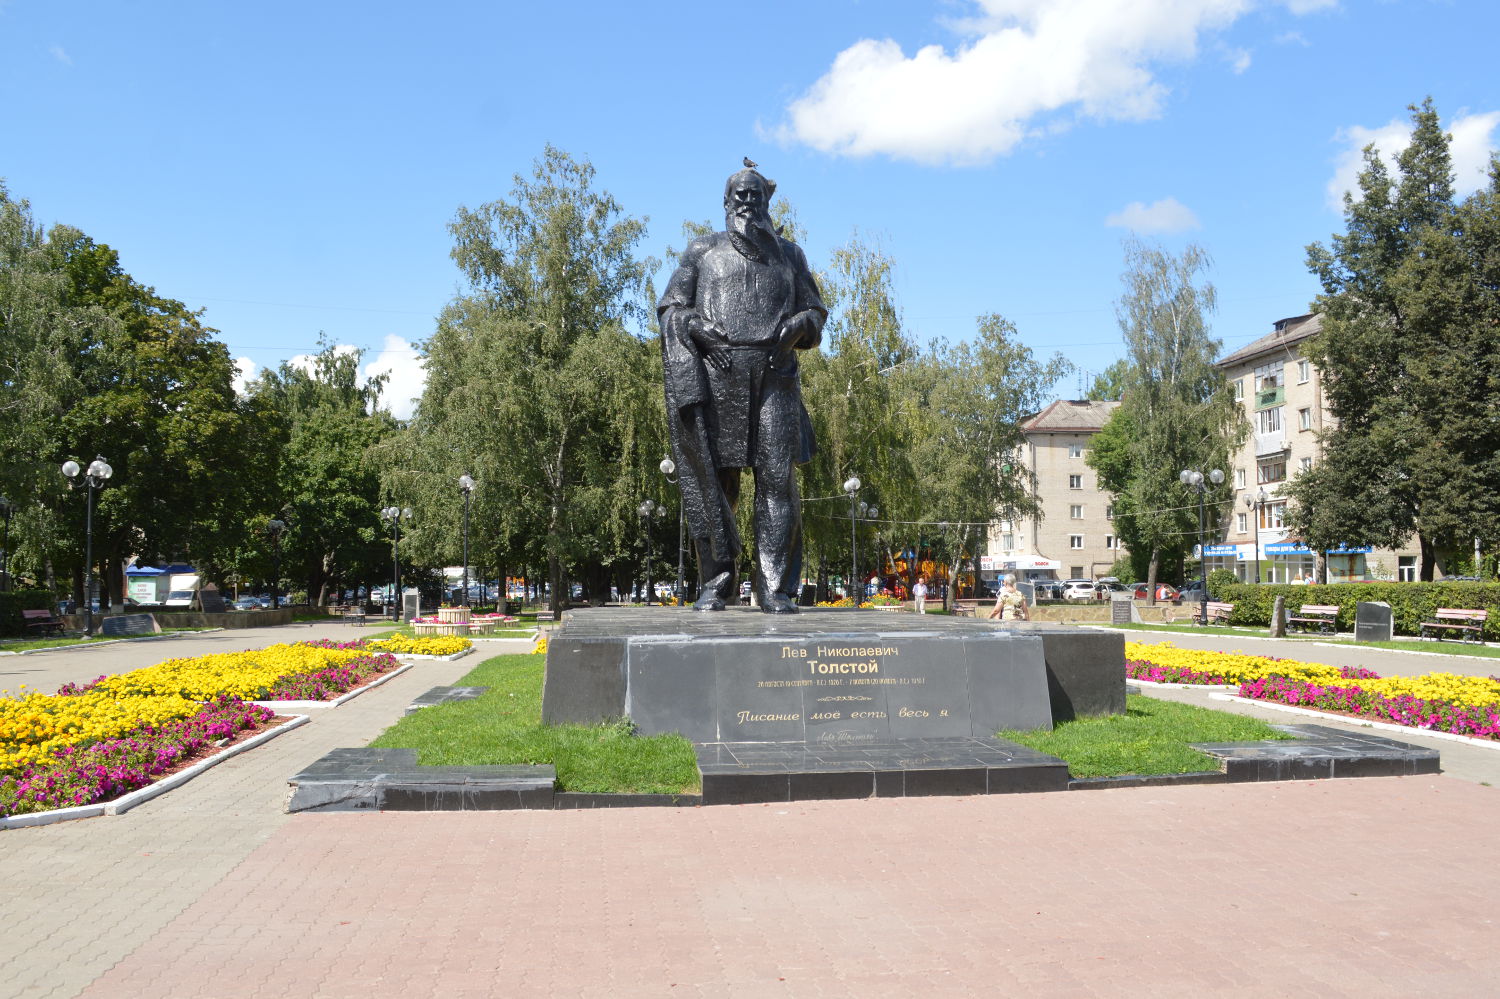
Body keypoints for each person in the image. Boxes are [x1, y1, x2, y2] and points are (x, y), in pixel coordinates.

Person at [658, 166, 827, 614]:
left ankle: (773, 587)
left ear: (767, 201)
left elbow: (815, 313)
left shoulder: (790, 255)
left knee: (776, 479)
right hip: (719, 375)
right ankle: (717, 581)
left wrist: (797, 328)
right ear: (726, 200)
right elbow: (672, 307)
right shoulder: (703, 250)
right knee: (718, 482)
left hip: (775, 379)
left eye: (755, 194)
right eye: (740, 194)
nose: (747, 202)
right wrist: (697, 327)